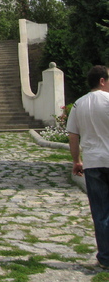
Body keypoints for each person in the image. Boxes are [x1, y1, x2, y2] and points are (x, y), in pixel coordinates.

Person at [68, 65, 109, 268]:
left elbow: (73, 135)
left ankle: (105, 257)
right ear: (102, 80)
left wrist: (76, 160)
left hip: (93, 162)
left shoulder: (78, 104)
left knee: (100, 212)